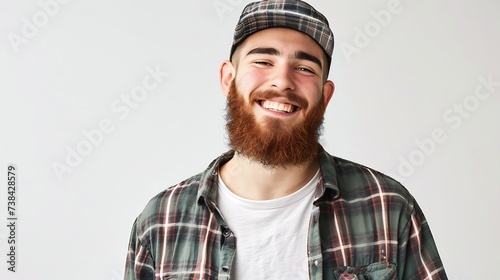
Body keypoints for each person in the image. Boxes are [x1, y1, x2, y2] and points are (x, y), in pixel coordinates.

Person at [124, 1, 448, 279]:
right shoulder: (161, 221)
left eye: (304, 68)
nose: (282, 81)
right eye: (263, 61)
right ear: (228, 78)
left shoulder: (388, 207)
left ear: (325, 94)